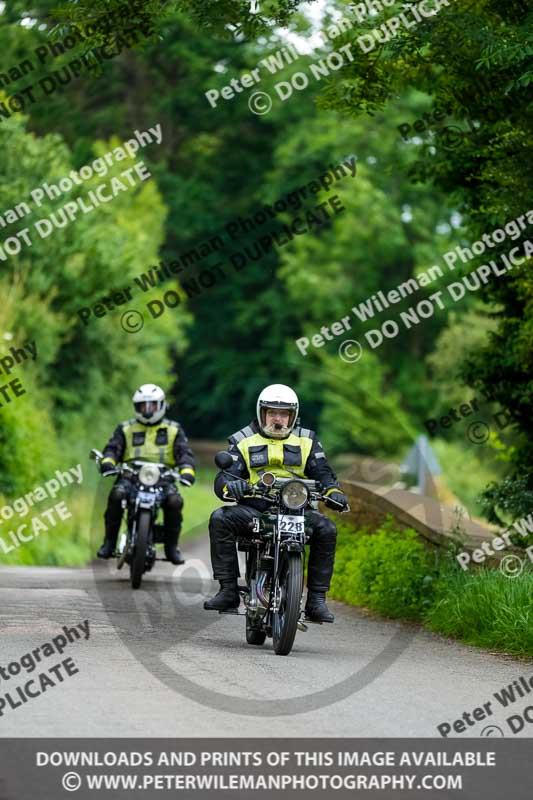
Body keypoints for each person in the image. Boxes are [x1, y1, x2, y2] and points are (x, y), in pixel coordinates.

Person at [204, 383, 348, 622]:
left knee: (327, 529)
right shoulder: (243, 440)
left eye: (283, 414)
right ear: (262, 413)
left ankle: (316, 601)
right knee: (220, 519)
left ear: (293, 416)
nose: (278, 419)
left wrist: (334, 492)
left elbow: (323, 472)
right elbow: (225, 476)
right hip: (256, 509)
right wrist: (232, 486)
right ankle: (228, 590)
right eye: (272, 413)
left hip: (297, 509)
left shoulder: (308, 441)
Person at [96, 383, 196, 564]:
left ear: (161, 406)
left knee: (175, 501)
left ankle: (171, 547)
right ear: (136, 407)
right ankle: (109, 542)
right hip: (130, 476)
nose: (147, 410)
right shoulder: (125, 428)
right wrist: (107, 463)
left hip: (163, 478)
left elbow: (185, 454)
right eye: (143, 406)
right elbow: (112, 449)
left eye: (151, 405)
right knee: (117, 495)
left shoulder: (174, 429)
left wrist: (187, 471)